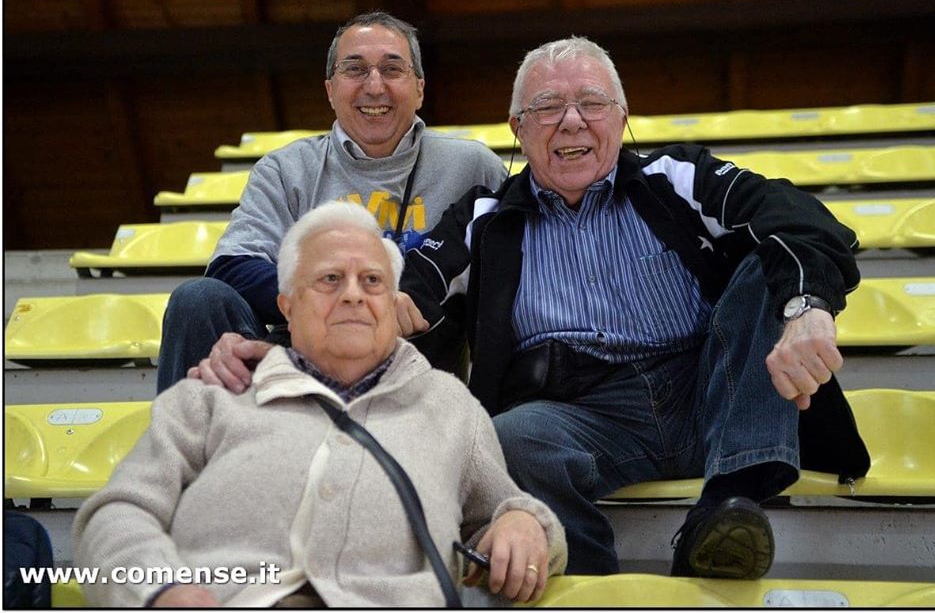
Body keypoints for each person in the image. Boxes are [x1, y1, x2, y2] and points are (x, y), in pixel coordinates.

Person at [398, 37, 870, 577]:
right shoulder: (485, 216)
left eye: (592, 103)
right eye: (547, 107)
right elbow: (416, 283)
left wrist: (807, 306)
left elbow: (800, 218)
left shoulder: (678, 177)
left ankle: (726, 508)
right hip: (581, 415)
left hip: (711, 394)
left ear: (621, 119)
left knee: (769, 263)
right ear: (517, 128)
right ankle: (591, 586)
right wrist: (392, 301)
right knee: (509, 438)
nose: (571, 121)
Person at [73, 201, 567, 608]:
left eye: (372, 281)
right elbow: (117, 512)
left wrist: (526, 525)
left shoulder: (450, 407)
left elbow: (509, 519)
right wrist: (162, 591)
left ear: (394, 302)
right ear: (287, 305)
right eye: (330, 279)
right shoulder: (212, 396)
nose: (354, 296)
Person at [155, 11, 505, 393]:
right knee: (197, 299)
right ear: (330, 90)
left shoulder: (473, 167)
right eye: (355, 69)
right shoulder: (286, 169)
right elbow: (231, 267)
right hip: (301, 372)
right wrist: (337, 298)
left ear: (419, 88)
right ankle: (194, 430)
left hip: (419, 372)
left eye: (392, 69)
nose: (375, 86)